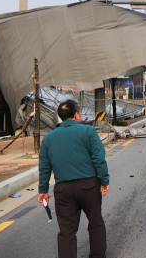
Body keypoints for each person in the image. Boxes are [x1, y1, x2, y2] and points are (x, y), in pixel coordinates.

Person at [38, 100, 110, 258]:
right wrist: (104, 180)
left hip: (63, 190)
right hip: (89, 186)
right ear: (77, 114)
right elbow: (98, 158)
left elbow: (44, 166)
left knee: (66, 231)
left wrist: (43, 190)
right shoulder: (88, 131)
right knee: (95, 222)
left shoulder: (48, 138)